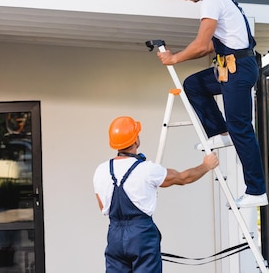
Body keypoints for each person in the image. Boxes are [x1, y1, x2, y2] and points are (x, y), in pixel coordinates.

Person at [156, 0, 268, 208]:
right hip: (231, 67)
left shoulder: (212, 1)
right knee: (194, 85)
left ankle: (256, 190)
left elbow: (200, 43)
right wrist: (179, 55)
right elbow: (207, 47)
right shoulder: (220, 0)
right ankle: (220, 132)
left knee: (241, 127)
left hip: (237, 69)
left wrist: (174, 58)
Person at [93, 115, 219, 273]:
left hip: (114, 237)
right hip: (141, 235)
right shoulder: (147, 170)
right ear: (135, 139)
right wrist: (206, 166)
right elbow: (183, 178)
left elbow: (103, 208)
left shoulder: (101, 171)